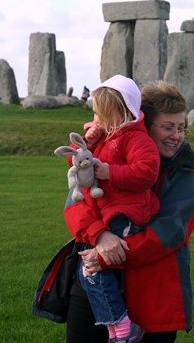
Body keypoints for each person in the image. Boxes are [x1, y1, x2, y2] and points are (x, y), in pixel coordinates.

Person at [64, 80, 194, 343]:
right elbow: (74, 205)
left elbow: (170, 232)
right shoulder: (105, 152)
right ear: (142, 122)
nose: (177, 136)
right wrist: (100, 235)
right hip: (94, 287)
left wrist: (105, 257)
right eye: (168, 127)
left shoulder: (185, 169)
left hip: (152, 292)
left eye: (182, 128)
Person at [70, 74, 161, 343]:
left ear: (121, 112)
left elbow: (147, 172)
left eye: (102, 115)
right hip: (106, 213)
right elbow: (81, 170)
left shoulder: (135, 138)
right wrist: (88, 143)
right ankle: (116, 325)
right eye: (96, 115)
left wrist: (110, 172)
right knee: (90, 271)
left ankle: (120, 324)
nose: (97, 120)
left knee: (95, 269)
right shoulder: (104, 137)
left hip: (126, 214)